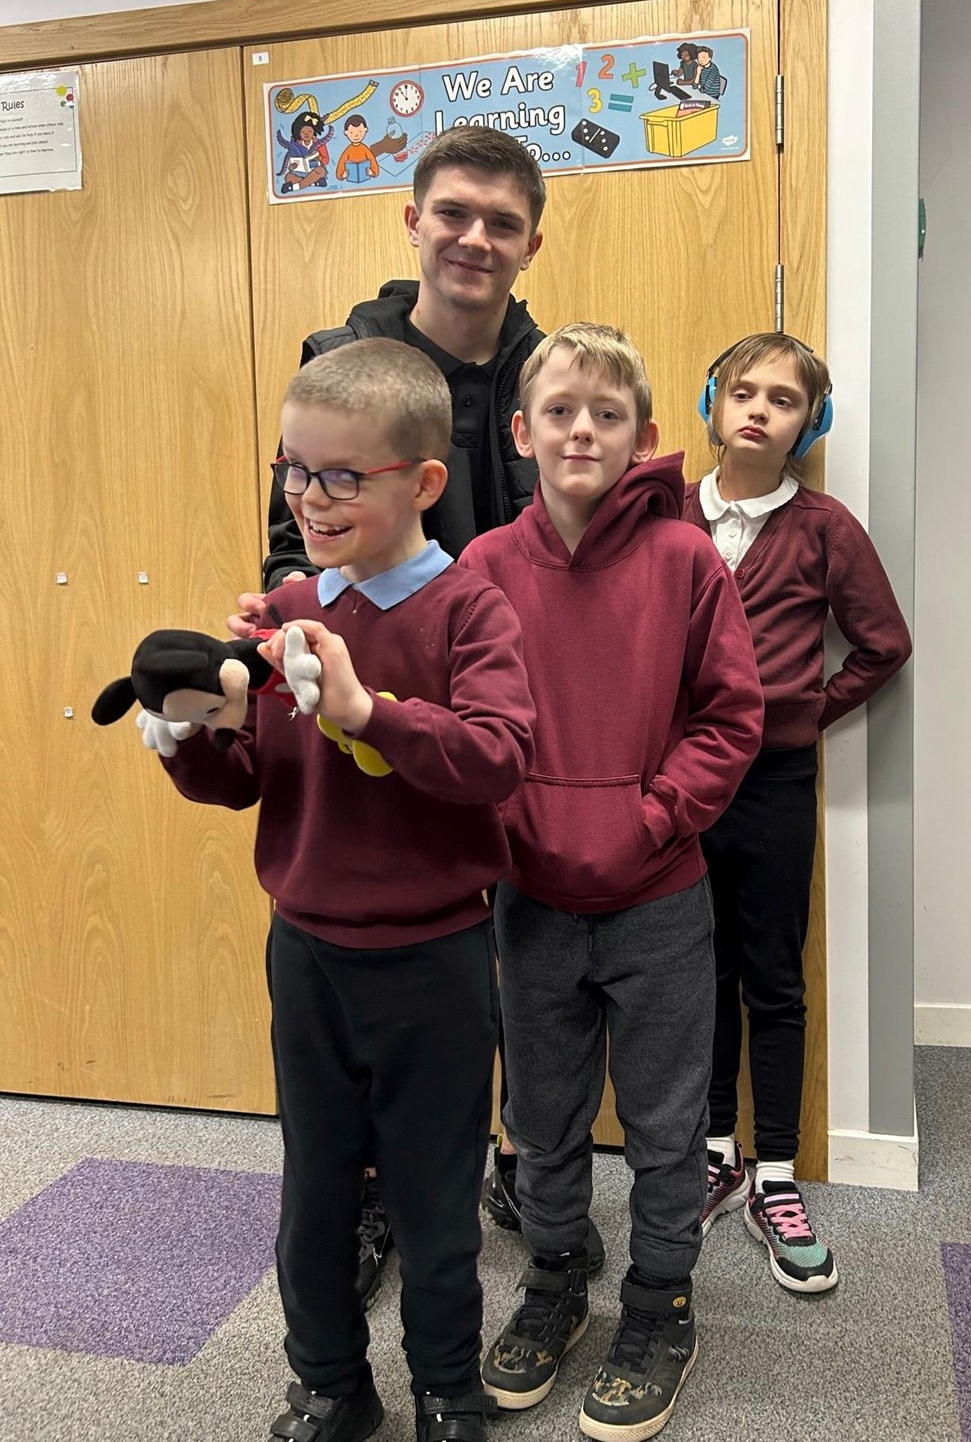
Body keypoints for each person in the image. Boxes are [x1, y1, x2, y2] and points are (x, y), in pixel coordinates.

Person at [229, 125, 603, 1301]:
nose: (473, 239)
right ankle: (382, 1189)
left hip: (507, 709)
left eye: (500, 222)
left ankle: (497, 1157)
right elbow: (300, 528)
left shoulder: (552, 374)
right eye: (453, 213)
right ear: (414, 221)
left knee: (500, 967)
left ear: (531, 242)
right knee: (380, 963)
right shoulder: (347, 355)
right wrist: (289, 630)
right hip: (370, 706)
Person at [146, 338, 537, 1442]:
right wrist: (186, 732)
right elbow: (246, 781)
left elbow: (496, 759)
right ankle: (326, 1380)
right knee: (316, 1187)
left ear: (421, 481)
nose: (309, 498)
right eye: (292, 468)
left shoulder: (470, 610)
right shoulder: (281, 608)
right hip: (308, 950)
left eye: (339, 476)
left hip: (437, 960)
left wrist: (369, 711)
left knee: (432, 1192)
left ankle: (449, 1389)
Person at [459, 324, 763, 1440]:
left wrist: (652, 818)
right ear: (522, 431)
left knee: (668, 1125)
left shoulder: (688, 561)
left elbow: (733, 717)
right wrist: (515, 825)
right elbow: (466, 727)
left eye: (607, 412)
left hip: (659, 897)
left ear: (642, 433)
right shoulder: (486, 567)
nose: (582, 428)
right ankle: (554, 1285)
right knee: (539, 1118)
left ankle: (659, 1303)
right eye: (560, 410)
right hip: (531, 900)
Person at [683, 331, 911, 1294]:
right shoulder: (661, 512)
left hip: (774, 784)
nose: (758, 409)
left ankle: (776, 1170)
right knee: (698, 971)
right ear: (713, 402)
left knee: (771, 972)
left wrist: (806, 710)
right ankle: (713, 1149)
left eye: (783, 398)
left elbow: (882, 642)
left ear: (809, 423)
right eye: (743, 390)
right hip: (679, 780)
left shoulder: (825, 527)